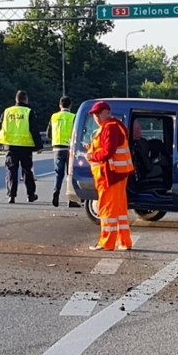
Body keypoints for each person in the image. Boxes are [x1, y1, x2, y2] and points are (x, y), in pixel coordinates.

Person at [84, 101, 134, 251]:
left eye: (96, 115)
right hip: (117, 174)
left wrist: (91, 155)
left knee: (107, 210)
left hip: (109, 175)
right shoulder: (115, 125)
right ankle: (124, 242)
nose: (95, 118)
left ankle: (106, 242)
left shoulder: (109, 128)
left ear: (103, 114)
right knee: (119, 210)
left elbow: (108, 151)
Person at [0, 90, 44, 203]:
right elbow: (34, 130)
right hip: (25, 146)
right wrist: (39, 146)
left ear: (16, 99)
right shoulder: (28, 112)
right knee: (27, 171)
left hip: (10, 146)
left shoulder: (7, 111)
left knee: (11, 171)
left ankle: (11, 195)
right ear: (25, 99)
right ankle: (30, 195)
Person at [46, 96, 75, 207]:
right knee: (70, 174)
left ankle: (56, 192)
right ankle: (71, 200)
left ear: (60, 105)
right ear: (70, 105)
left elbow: (48, 133)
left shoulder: (54, 117)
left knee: (58, 173)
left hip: (57, 148)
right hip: (70, 148)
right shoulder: (73, 116)